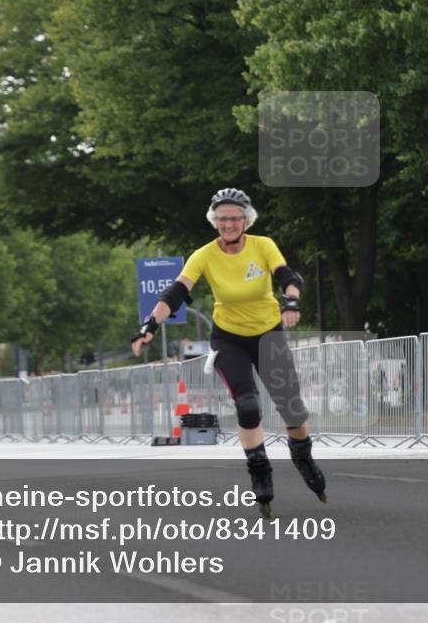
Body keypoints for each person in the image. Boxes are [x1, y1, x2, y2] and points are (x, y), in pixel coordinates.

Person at [131, 188, 326, 517]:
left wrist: (291, 301)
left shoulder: (263, 246)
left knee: (291, 406)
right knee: (247, 405)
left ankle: (302, 455)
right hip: (229, 338)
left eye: (235, 217)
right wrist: (149, 324)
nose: (229, 223)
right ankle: (260, 471)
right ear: (214, 221)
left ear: (246, 220)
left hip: (268, 334)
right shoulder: (204, 255)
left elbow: (288, 277)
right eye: (222, 218)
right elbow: (176, 292)